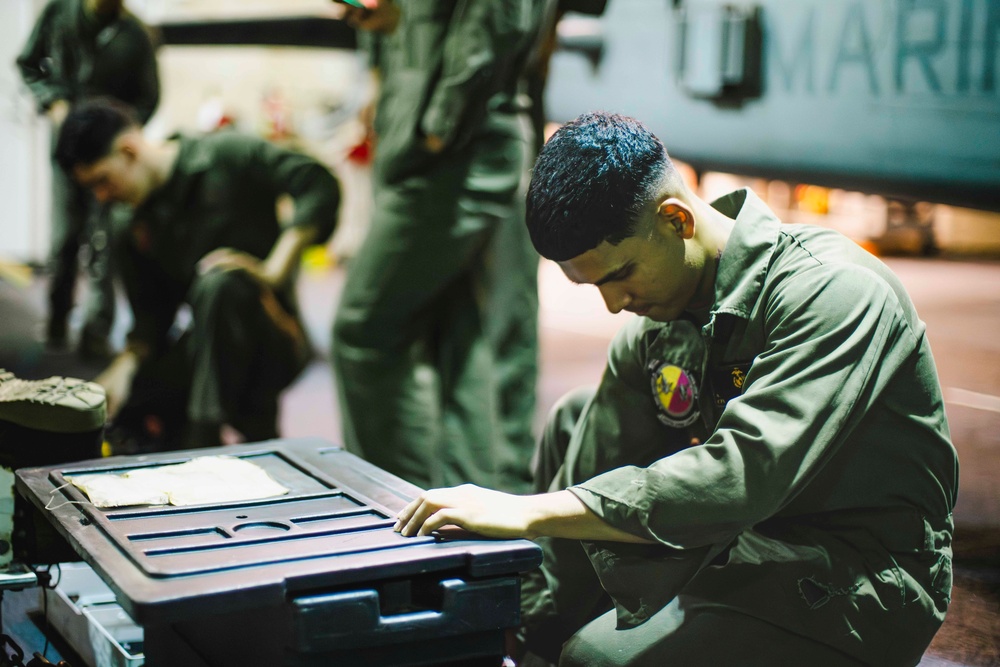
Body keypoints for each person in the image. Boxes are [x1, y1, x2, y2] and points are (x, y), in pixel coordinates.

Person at [393, 112, 959, 666]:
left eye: (619, 276)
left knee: (596, 659)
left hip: (860, 571)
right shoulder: (659, 327)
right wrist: (524, 632)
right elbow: (599, 464)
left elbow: (742, 476)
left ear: (676, 219)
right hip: (748, 540)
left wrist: (528, 511)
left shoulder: (833, 291)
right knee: (576, 421)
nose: (613, 305)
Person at [331, 0, 550, 492]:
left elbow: (495, 19)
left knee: (365, 331)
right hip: (447, 148)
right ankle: (467, 506)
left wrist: (438, 125)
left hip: (452, 155)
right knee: (465, 338)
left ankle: (396, 500)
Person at [54, 99, 340, 450]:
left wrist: (272, 270)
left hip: (275, 342)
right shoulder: (128, 221)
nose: (102, 196)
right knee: (134, 399)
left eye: (103, 181)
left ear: (128, 151)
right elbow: (151, 317)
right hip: (208, 347)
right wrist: (124, 368)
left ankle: (206, 440)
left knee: (221, 282)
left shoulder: (227, 154)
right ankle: (199, 446)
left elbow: (318, 183)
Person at [16, 0, 160, 358]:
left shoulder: (136, 35)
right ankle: (57, 319)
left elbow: (149, 97)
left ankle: (97, 333)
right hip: (66, 156)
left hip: (109, 160)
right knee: (64, 239)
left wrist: (119, 134)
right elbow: (27, 64)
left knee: (105, 243)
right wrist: (53, 102)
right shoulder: (58, 14)